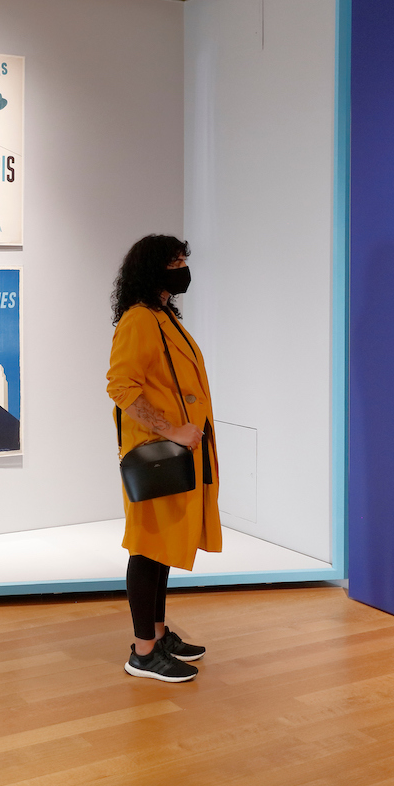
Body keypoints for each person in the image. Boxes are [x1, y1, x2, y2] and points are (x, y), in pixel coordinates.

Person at [106, 234, 221, 682]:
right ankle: (143, 653)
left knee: (162, 546)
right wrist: (173, 428)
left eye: (183, 260)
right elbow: (121, 387)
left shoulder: (162, 316)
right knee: (148, 548)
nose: (182, 268)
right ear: (152, 269)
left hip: (178, 453)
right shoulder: (139, 320)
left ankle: (156, 633)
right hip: (158, 453)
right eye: (174, 261)